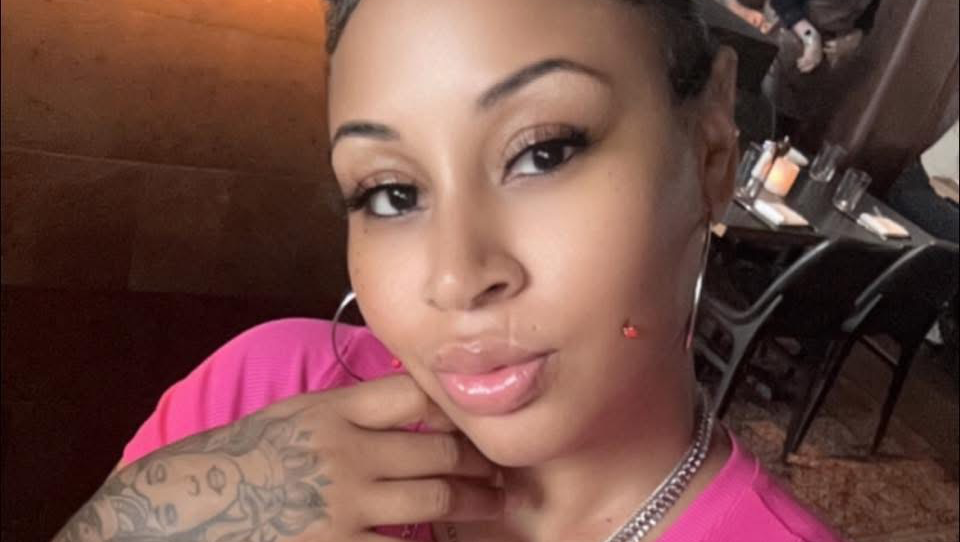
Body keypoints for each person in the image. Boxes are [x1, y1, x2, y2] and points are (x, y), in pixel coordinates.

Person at [53, 1, 845, 540]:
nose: (456, 277)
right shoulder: (259, 395)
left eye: (544, 152)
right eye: (392, 194)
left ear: (711, 148)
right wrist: (133, 520)